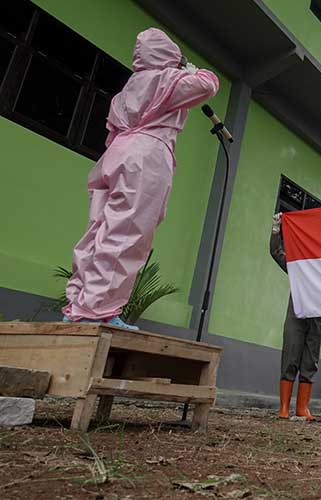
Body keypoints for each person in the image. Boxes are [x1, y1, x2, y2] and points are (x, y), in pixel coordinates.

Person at [62, 28, 219, 329]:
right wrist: (187, 66)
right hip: (146, 155)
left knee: (98, 229)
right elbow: (209, 84)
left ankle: (77, 303)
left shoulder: (126, 90)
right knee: (128, 230)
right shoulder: (166, 80)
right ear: (169, 56)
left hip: (115, 155)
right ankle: (98, 310)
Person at [271, 214, 321, 422]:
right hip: (296, 316)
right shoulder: (297, 265)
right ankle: (284, 407)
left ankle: (302, 408)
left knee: (310, 362)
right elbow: (276, 252)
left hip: (317, 318)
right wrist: (276, 230)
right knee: (291, 357)